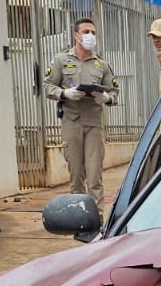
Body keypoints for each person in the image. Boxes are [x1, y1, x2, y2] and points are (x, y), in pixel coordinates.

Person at [44, 17, 120, 208]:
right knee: (76, 175)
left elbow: (115, 92)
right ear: (76, 35)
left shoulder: (101, 64)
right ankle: (80, 218)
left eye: (93, 33)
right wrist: (64, 93)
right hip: (72, 123)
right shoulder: (61, 60)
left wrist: (106, 98)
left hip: (94, 124)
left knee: (95, 176)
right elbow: (47, 86)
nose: (90, 36)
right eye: (86, 32)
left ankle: (97, 219)